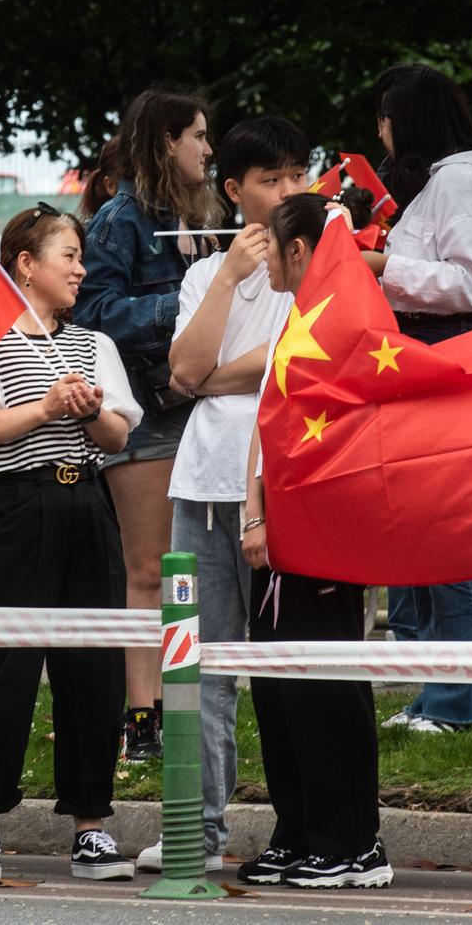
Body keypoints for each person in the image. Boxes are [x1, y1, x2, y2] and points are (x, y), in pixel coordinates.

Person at [0, 204, 142, 883]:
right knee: (4, 664)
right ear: (25, 264)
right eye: (69, 255)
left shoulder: (92, 345)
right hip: (16, 505)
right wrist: (45, 408)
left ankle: (90, 821)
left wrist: (90, 414)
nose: (81, 268)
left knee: (92, 663)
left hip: (88, 500)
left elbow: (120, 436)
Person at [136, 118, 311, 872]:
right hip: (204, 483)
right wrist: (231, 280)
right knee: (197, 663)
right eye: (271, 180)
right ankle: (195, 829)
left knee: (288, 669)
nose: (288, 192)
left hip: (286, 485)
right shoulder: (208, 271)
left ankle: (301, 830)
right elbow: (183, 368)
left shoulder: (319, 263)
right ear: (234, 190)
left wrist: (211, 375)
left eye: (298, 176)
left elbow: (288, 362)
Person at [238, 193, 392, 890]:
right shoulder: (293, 322)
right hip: (279, 540)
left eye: (272, 244)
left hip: (326, 537)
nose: (263, 254)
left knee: (324, 686)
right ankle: (297, 829)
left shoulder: (348, 325)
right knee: (277, 688)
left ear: (299, 249)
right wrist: (253, 515)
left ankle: (352, 841)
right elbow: (266, 429)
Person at [373, 64, 472, 733]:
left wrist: (383, 267)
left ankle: (462, 698)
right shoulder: (449, 184)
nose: (378, 130)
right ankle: (462, 693)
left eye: (384, 115)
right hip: (442, 360)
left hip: (459, 358)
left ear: (408, 118)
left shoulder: (461, 182)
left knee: (448, 532)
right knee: (437, 530)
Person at [72, 88, 218, 760]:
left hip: (202, 406)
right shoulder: (120, 219)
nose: (208, 150)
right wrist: (182, 305)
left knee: (188, 571)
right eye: (197, 135)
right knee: (148, 573)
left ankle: (183, 705)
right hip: (145, 415)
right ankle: (141, 718)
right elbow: (91, 310)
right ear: (166, 140)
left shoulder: (201, 213)